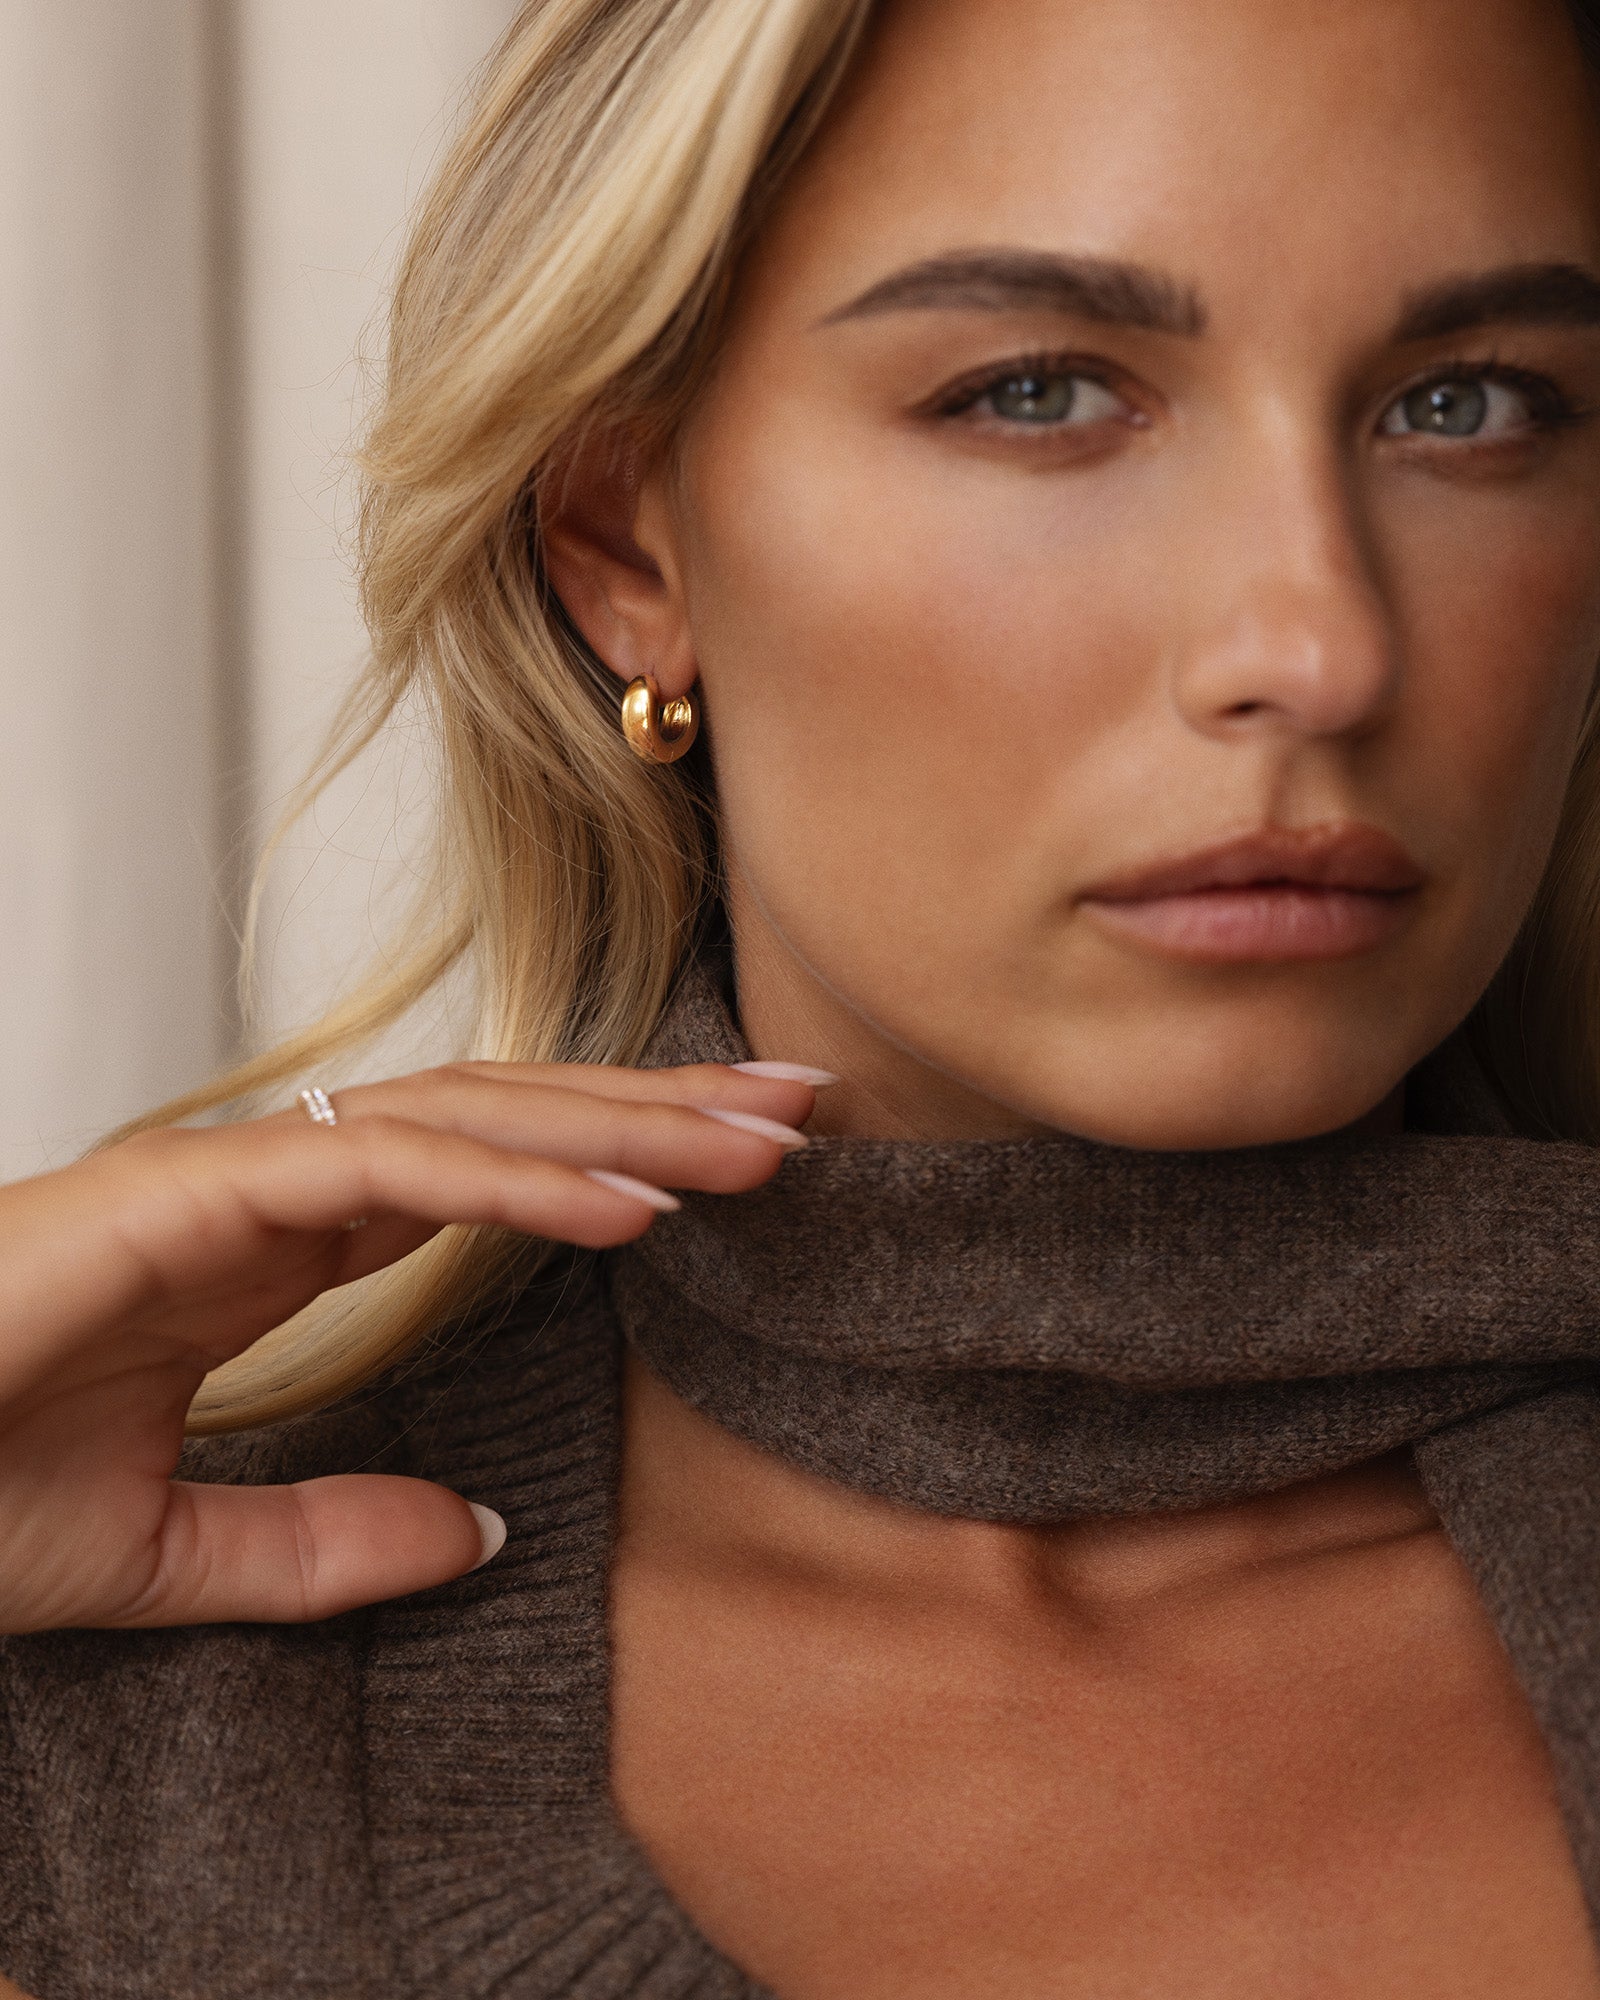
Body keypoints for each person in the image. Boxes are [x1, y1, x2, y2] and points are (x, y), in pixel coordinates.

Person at [4, 0, 1600, 1990]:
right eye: (1038, 393)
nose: (1319, 643)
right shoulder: (94, 1710)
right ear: (626, 540)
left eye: (1468, 404)